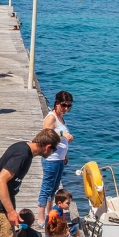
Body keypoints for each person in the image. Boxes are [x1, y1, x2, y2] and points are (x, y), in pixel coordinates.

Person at [38, 91, 75, 227]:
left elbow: (60, 141)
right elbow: (46, 134)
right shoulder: (52, 117)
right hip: (51, 159)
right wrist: (62, 133)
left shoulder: (60, 118)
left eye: (68, 106)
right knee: (46, 188)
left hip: (59, 158)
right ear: (57, 103)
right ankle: (41, 218)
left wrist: (64, 154)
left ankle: (50, 214)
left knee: (53, 189)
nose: (65, 109)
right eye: (64, 105)